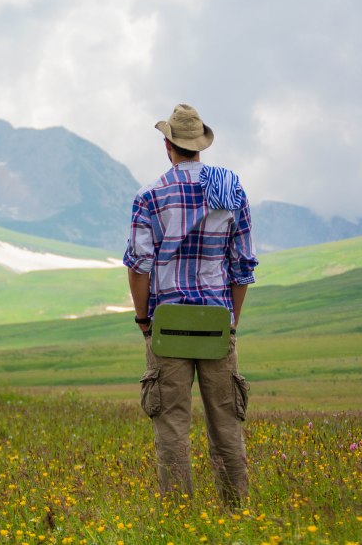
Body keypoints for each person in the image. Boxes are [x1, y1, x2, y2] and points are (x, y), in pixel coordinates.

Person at [122, 104, 258, 507]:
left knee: (171, 427)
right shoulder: (231, 192)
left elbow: (138, 268)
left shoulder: (150, 195)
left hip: (168, 323)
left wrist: (144, 320)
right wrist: (231, 324)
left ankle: (180, 518)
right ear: (200, 146)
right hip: (216, 321)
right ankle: (235, 512)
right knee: (226, 426)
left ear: (168, 145)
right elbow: (243, 267)